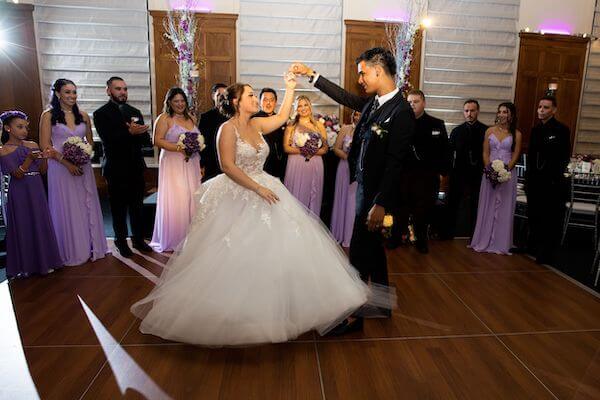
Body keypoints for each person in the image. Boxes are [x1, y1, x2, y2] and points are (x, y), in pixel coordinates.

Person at [130, 73, 386, 346]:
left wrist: (289, 88)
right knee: (235, 253)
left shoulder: (258, 124)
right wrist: (257, 188)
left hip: (266, 188)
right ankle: (234, 311)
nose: (256, 99)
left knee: (284, 247)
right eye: (251, 95)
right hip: (241, 191)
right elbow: (227, 166)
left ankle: (288, 306)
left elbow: (282, 115)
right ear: (237, 102)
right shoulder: (226, 129)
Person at [292, 47, 416, 332]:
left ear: (377, 70)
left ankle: (352, 316)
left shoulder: (402, 112)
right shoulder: (374, 102)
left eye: (362, 73)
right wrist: (312, 75)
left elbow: (396, 163)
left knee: (359, 251)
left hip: (377, 197)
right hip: (364, 186)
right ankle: (383, 305)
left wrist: (381, 203)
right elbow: (346, 98)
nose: (359, 79)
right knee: (372, 249)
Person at [40, 79, 109, 266]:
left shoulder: (84, 116)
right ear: (58, 94)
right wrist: (66, 162)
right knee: (68, 206)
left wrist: (83, 154)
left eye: (74, 92)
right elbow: (45, 146)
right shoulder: (48, 116)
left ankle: (92, 246)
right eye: (67, 92)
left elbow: (90, 141)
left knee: (85, 204)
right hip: (60, 169)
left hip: (82, 167)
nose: (72, 96)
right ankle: (72, 250)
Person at [93, 76, 153, 257]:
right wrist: (129, 132)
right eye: (118, 89)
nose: (122, 92)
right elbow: (109, 139)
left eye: (125, 89)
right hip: (116, 168)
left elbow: (145, 141)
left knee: (137, 206)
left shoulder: (134, 111)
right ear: (108, 91)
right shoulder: (101, 113)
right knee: (118, 208)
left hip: (135, 166)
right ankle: (121, 241)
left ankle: (138, 238)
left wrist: (141, 133)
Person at [0, 111, 63, 278]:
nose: (24, 131)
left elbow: (43, 171)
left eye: (26, 127)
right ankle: (26, 265)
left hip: (36, 188)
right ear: (7, 128)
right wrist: (28, 160)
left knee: (40, 222)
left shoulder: (33, 144)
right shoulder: (4, 150)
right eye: (19, 127)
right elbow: (17, 175)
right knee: (23, 224)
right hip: (20, 191)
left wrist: (44, 158)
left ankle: (46, 261)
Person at [390, 90, 449, 253]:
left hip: (427, 176)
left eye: (416, 101)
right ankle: (395, 238)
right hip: (404, 175)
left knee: (423, 211)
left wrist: (442, 172)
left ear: (423, 103)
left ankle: (421, 241)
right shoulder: (399, 123)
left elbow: (445, 150)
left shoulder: (436, 124)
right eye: (409, 102)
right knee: (400, 210)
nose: (412, 104)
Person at [149, 87, 202, 252]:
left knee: (191, 196)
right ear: (169, 103)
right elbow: (157, 140)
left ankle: (191, 236)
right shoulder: (164, 118)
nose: (180, 104)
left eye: (182, 101)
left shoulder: (191, 118)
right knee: (177, 197)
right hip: (173, 163)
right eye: (176, 101)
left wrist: (194, 147)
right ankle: (175, 237)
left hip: (191, 162)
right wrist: (179, 148)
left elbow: (197, 139)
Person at [470, 103, 522, 255]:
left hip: (507, 175)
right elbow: (485, 153)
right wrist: (490, 171)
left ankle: (500, 241)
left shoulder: (517, 134)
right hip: (489, 174)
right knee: (488, 205)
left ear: (511, 114)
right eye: (499, 111)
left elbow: (516, 155)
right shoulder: (489, 131)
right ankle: (483, 239)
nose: (501, 114)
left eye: (505, 112)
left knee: (504, 207)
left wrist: (505, 171)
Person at [525, 96, 571, 264]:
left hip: (551, 182)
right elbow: (531, 156)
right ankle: (533, 247)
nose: (541, 110)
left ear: (554, 110)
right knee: (534, 215)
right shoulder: (535, 129)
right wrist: (528, 178)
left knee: (549, 219)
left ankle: (546, 253)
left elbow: (563, 157)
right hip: (535, 180)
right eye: (540, 107)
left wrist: (554, 178)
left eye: (545, 107)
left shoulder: (562, 129)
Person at [445, 99, 488, 239]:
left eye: (472, 110)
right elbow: (450, 153)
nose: (469, 114)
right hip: (459, 173)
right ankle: (448, 233)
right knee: (452, 203)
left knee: (476, 205)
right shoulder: (457, 131)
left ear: (478, 112)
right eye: (466, 111)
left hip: (479, 174)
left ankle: (475, 235)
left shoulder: (486, 131)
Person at [283, 96, 328, 214]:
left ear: (310, 107)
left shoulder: (319, 125)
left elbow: (325, 148)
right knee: (296, 198)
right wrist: (303, 150)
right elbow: (286, 147)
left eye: (305, 105)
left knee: (313, 197)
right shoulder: (291, 126)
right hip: (296, 164)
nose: (303, 108)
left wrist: (311, 150)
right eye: (299, 106)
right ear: (296, 109)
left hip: (315, 164)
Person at [330, 110, 361, 248]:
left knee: (353, 202)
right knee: (342, 199)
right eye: (356, 114)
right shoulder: (345, 128)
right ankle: (339, 234)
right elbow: (336, 148)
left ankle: (352, 237)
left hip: (358, 171)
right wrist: (349, 157)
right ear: (352, 115)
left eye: (360, 114)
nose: (357, 117)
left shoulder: (369, 128)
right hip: (344, 168)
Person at [254, 88, 288, 181]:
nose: (268, 103)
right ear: (260, 102)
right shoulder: (253, 119)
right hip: (260, 165)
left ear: (276, 102)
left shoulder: (281, 120)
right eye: (265, 100)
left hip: (279, 164)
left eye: (271, 100)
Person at [198, 83, 228, 181]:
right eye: (219, 95)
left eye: (224, 95)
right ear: (213, 96)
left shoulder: (232, 117)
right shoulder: (205, 117)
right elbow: (202, 142)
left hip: (228, 162)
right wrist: (201, 164)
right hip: (210, 163)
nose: (221, 98)